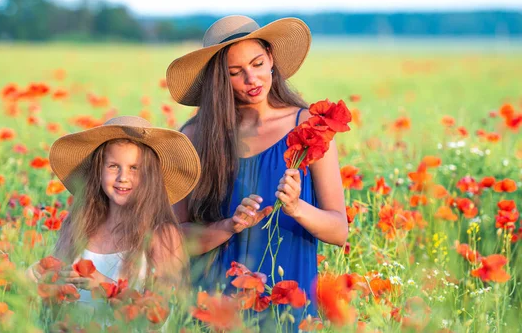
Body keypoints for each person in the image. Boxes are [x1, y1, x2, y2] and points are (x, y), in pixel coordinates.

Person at [166, 16, 348, 305]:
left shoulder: (311, 128)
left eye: (258, 64)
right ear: (218, 78)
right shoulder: (194, 136)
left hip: (288, 304)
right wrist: (228, 226)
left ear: (271, 58)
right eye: (235, 72)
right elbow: (173, 239)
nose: (252, 79)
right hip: (213, 305)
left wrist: (296, 207)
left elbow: (339, 231)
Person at [27, 116, 201, 307]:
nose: (123, 177)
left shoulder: (162, 235)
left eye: (135, 168)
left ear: (151, 177)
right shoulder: (80, 224)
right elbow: (59, 295)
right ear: (98, 170)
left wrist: (104, 286)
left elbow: (161, 311)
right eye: (113, 166)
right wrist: (43, 277)